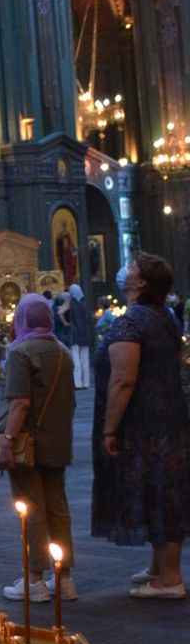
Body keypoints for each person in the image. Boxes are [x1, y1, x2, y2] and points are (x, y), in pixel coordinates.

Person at [92, 253, 190, 599]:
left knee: (159, 489)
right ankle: (159, 566)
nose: (125, 270)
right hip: (169, 415)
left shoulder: (131, 321)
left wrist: (109, 429)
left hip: (143, 422)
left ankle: (170, 579)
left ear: (141, 282)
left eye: (132, 268)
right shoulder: (163, 315)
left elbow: (123, 380)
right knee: (162, 487)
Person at [0, 293, 76, 605]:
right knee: (58, 508)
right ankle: (64, 578)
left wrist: (9, 441)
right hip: (59, 440)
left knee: (31, 509)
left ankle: (35, 580)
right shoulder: (62, 350)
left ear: (22, 320)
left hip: (29, 443)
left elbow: (19, 403)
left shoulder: (21, 352)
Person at [67, 280, 93, 390]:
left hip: (75, 334)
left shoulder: (71, 303)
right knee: (85, 360)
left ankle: (78, 383)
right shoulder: (85, 304)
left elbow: (63, 313)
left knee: (76, 360)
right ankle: (86, 383)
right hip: (85, 334)